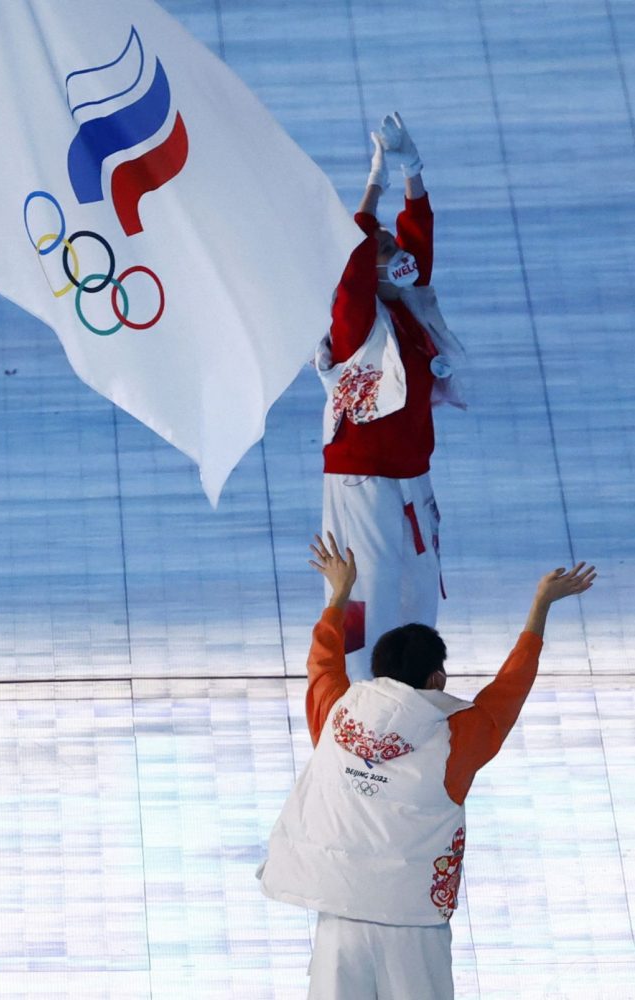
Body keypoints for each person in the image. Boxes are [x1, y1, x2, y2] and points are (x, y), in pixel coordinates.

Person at [259, 533, 595, 999]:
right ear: (437, 678)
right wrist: (541, 606)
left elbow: (322, 661)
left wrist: (339, 592)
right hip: (414, 923)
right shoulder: (459, 737)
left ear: (377, 673)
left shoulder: (336, 716)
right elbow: (509, 689)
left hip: (337, 911)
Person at [316, 113, 467, 679]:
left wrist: (413, 170)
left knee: (418, 590)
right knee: (368, 591)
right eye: (384, 245)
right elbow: (354, 258)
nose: (396, 250)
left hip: (410, 472)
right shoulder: (356, 322)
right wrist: (373, 184)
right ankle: (355, 690)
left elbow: (419, 249)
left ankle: (416, 686)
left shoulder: (407, 306)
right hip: (362, 477)